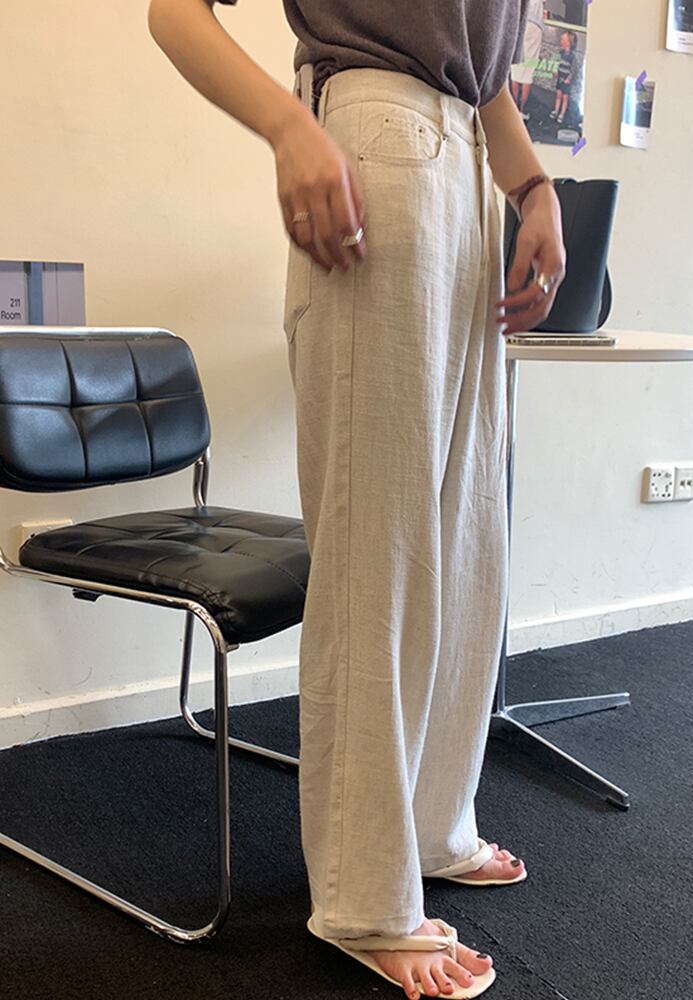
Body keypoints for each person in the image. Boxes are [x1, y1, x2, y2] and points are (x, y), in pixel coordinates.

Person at [147, 2, 565, 998]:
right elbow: (173, 13)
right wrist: (292, 128)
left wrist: (533, 185)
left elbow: (477, 63)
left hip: (473, 171)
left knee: (466, 538)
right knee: (378, 544)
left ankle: (433, 826)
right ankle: (363, 896)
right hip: (377, 145)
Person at [510, 0, 545, 121]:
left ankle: (514, 108)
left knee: (516, 67)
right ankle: (521, 109)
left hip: (519, 22)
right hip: (535, 26)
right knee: (528, 71)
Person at [550, 29, 578, 125]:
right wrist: (554, 70)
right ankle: (556, 110)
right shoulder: (560, 53)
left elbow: (573, 70)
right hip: (560, 78)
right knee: (558, 95)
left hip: (566, 80)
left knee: (565, 97)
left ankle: (562, 114)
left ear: (569, 43)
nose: (560, 41)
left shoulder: (572, 57)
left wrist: (569, 79)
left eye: (563, 40)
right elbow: (556, 63)